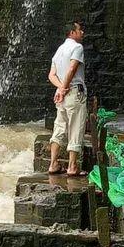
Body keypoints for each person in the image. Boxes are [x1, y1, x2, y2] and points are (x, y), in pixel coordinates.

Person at [48, 20, 88, 177]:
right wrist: (64, 88)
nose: (82, 32)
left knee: (59, 127)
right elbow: (72, 68)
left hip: (62, 94)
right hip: (74, 94)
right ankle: (72, 167)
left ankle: (53, 164)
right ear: (72, 33)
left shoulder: (59, 50)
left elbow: (51, 74)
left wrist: (60, 88)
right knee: (75, 128)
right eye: (80, 30)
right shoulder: (77, 47)